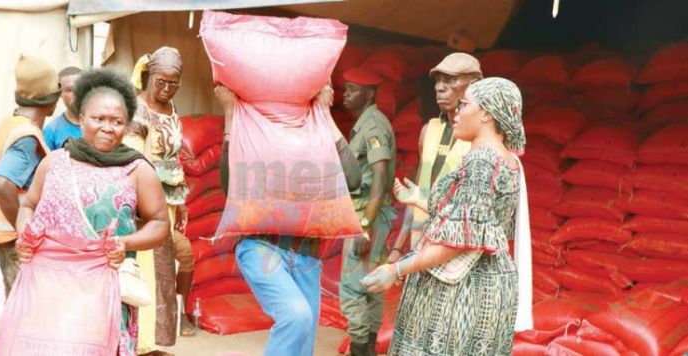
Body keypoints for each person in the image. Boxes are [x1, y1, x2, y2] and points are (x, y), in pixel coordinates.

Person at [0, 69, 170, 355]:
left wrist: (127, 243)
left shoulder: (137, 169)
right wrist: (25, 233)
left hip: (105, 289)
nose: (107, 128)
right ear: (81, 117)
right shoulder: (55, 163)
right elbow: (28, 205)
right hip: (52, 290)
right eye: (99, 119)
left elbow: (160, 223)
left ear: (127, 124)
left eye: (117, 121)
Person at [362, 77, 533, 355]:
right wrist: (420, 199)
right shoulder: (507, 159)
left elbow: (456, 242)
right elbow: (478, 222)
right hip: (491, 287)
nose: (457, 112)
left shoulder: (481, 162)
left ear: (487, 113)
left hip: (459, 294)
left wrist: (395, 270)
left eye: (464, 105)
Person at [213, 82, 361, 356]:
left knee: (303, 344)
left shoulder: (317, 138)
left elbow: (352, 179)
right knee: (296, 315)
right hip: (261, 248)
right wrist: (231, 113)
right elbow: (230, 185)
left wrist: (325, 114)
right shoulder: (261, 139)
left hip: (308, 257)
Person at [125, 46, 191, 353]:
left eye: (173, 82)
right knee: (148, 269)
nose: (166, 88)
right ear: (149, 77)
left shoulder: (171, 107)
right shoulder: (138, 110)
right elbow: (134, 160)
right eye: (161, 82)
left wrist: (182, 200)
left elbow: (174, 157)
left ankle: (157, 339)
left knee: (166, 270)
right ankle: (142, 340)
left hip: (170, 200)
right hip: (147, 202)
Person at [388, 53, 482, 264]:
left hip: (454, 251)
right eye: (438, 80)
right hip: (420, 244)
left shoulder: (482, 140)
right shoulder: (429, 130)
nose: (439, 87)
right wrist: (397, 247)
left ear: (474, 85)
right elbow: (417, 193)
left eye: (450, 80)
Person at [339, 66, 397, 356]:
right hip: (375, 216)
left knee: (352, 291)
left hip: (368, 215)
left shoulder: (372, 126)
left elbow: (380, 173)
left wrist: (365, 223)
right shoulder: (369, 122)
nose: (345, 94)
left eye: (352, 89)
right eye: (345, 88)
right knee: (371, 289)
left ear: (370, 93)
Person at [0, 55, 58, 296]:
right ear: (52, 101)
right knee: (27, 312)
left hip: (7, 238)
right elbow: (1, 183)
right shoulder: (27, 136)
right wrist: (24, 231)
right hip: (17, 241)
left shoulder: (9, 123)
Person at [43, 66, 83, 150]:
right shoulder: (51, 132)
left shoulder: (101, 123)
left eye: (80, 88)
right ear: (60, 94)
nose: (77, 94)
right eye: (70, 90)